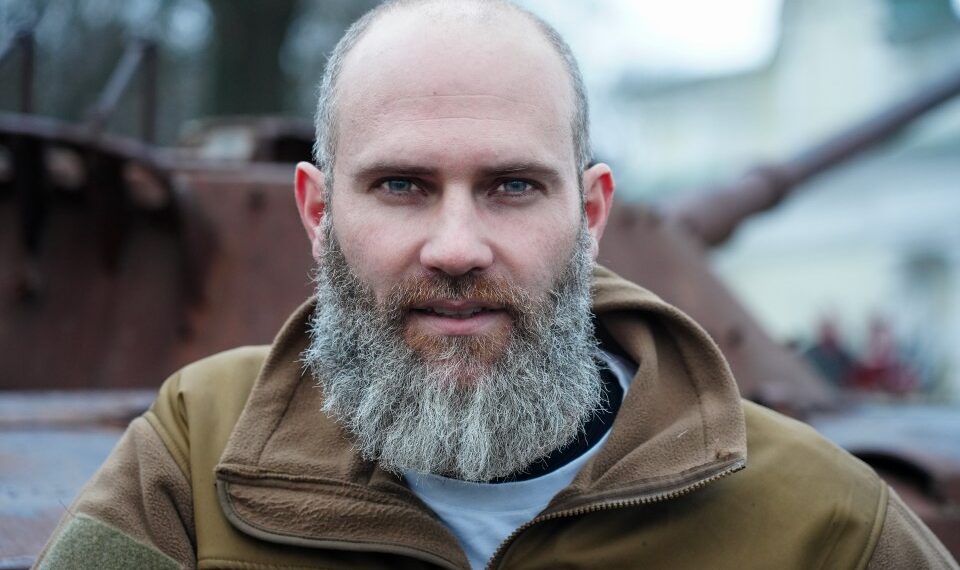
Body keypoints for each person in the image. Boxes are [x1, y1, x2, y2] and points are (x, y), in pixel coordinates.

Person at [35, 1, 957, 569]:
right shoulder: (196, 455)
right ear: (317, 213)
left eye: (512, 187)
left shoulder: (820, 521)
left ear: (591, 215)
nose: (457, 247)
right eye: (402, 186)